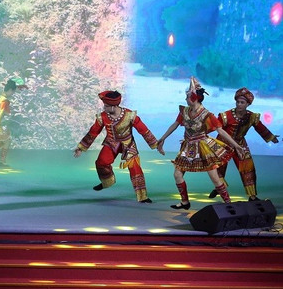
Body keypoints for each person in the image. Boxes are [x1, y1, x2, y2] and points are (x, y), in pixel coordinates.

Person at [156, 77, 246, 209]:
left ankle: (228, 204)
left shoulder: (206, 114)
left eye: (187, 97)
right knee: (177, 174)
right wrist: (163, 138)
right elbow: (175, 124)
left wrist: (236, 145)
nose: (185, 99)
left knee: (214, 177)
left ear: (194, 98)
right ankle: (185, 202)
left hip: (203, 147)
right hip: (187, 147)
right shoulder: (185, 111)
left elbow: (220, 131)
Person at [74, 90, 164, 203]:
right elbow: (93, 132)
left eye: (106, 106)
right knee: (101, 162)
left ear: (113, 106)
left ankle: (143, 196)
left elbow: (144, 130)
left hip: (128, 144)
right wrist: (81, 148)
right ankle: (108, 182)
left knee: (135, 168)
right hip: (111, 143)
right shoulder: (103, 117)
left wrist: (156, 145)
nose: (104, 108)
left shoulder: (130, 115)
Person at [211, 87, 279, 201]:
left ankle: (252, 197)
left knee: (248, 169)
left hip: (240, 144)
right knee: (218, 167)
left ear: (248, 104)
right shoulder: (225, 116)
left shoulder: (251, 117)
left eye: (242, 102)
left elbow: (260, 128)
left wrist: (271, 137)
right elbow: (215, 127)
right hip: (223, 144)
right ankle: (219, 188)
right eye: (238, 102)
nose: (239, 104)